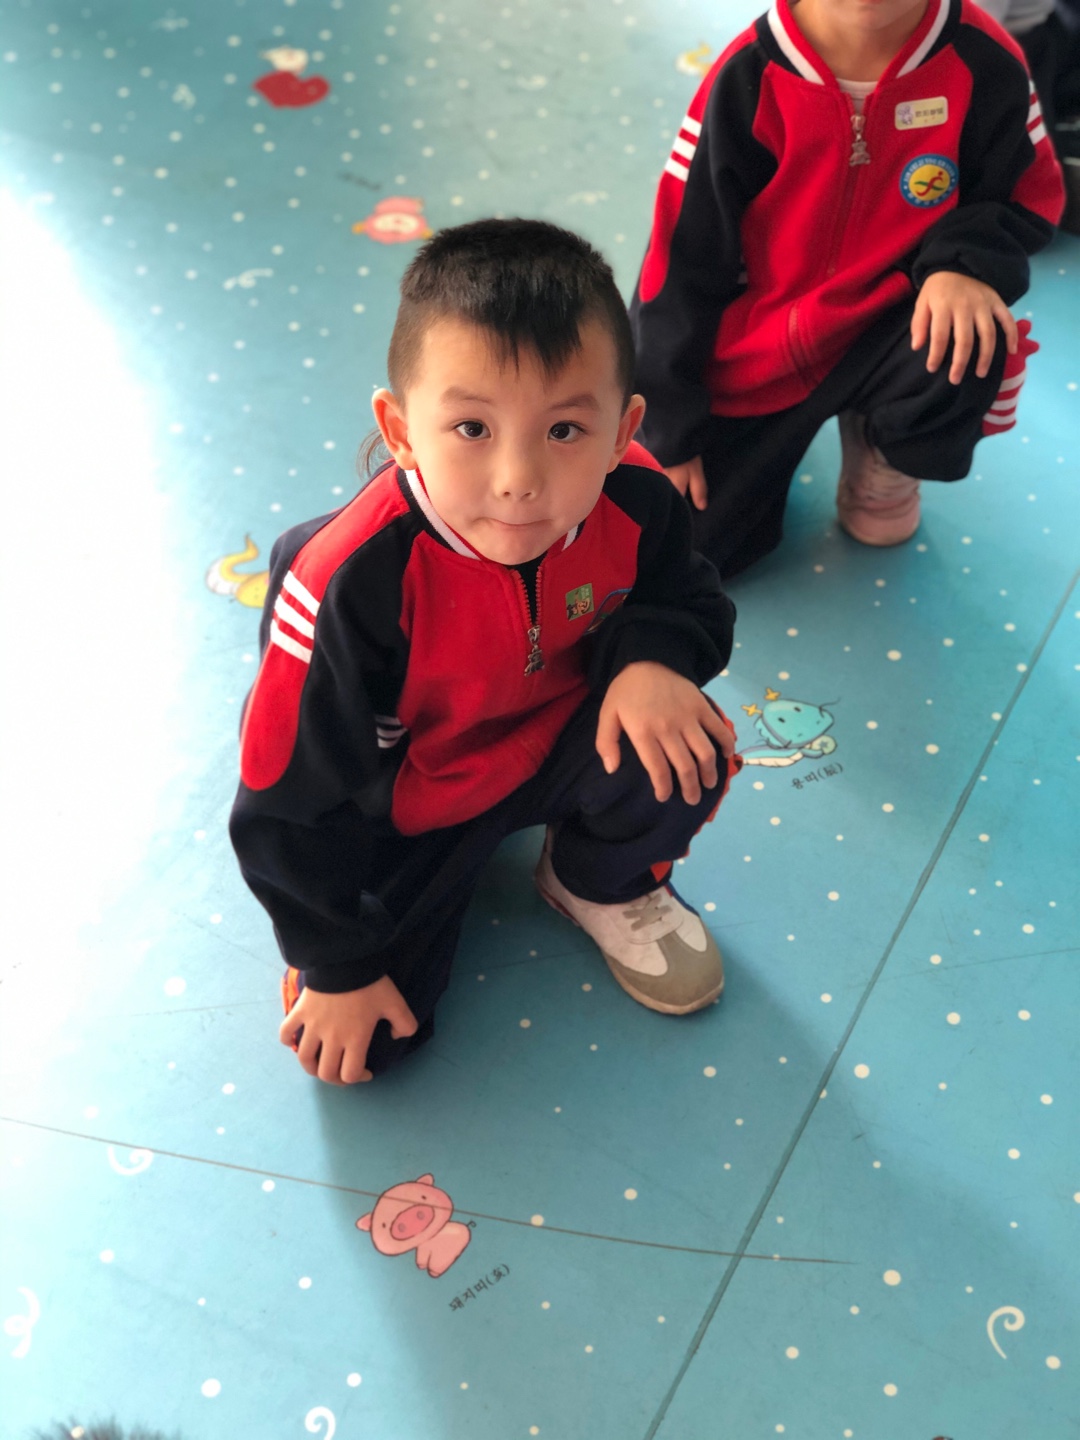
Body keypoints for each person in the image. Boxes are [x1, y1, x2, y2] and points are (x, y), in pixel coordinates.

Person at [229, 219, 741, 1087]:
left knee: (686, 744)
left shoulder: (640, 497)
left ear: (624, 429)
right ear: (399, 430)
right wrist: (335, 961)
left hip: (560, 740)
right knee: (373, 1044)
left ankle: (594, 878)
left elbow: (686, 599)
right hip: (410, 802)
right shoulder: (347, 584)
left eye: (565, 431)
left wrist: (652, 659)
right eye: (471, 427)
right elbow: (285, 799)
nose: (518, 479)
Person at [631, 0, 1066, 577]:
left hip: (895, 322)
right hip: (758, 349)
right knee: (692, 554)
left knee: (973, 335)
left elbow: (1021, 193)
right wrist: (669, 426)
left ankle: (884, 447)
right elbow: (681, 259)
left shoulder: (983, 59)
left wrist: (964, 264)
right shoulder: (747, 76)